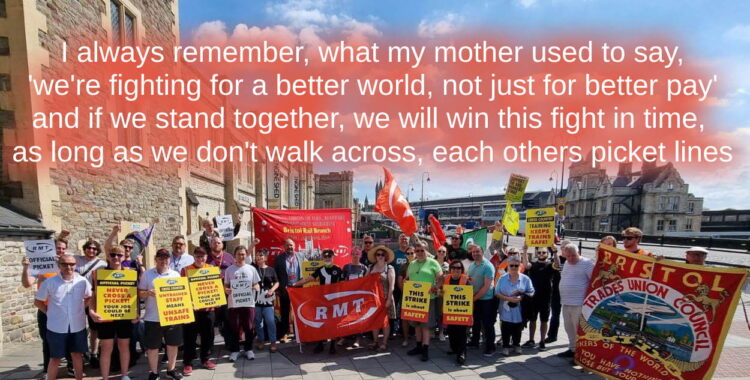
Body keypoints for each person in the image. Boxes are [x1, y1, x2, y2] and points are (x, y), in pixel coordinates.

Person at [34, 253, 92, 380]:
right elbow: (38, 301)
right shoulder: (50, 282)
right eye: (64, 264)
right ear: (59, 265)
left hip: (78, 325)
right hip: (56, 327)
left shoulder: (82, 281)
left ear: (75, 265)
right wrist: (48, 312)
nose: (68, 267)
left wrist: (81, 308)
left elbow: (89, 297)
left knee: (77, 355)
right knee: (55, 358)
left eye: (71, 264)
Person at [22, 234, 71, 379]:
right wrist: (26, 268)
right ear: (52, 249)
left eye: (63, 249)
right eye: (57, 248)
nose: (60, 251)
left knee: (68, 337)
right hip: (46, 308)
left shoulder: (68, 264)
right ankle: (47, 370)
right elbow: (27, 283)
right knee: (47, 339)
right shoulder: (41, 265)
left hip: (64, 309)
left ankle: (69, 367)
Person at [88, 246, 135, 380]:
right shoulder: (99, 273)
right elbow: (93, 296)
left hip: (124, 315)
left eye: (119, 255)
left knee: (124, 346)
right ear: (108, 256)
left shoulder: (130, 272)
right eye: (113, 255)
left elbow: (134, 295)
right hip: (106, 316)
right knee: (106, 347)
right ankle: (105, 377)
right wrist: (91, 311)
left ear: (124, 257)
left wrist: (136, 313)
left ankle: (125, 375)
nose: (116, 258)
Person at [138, 249, 183, 380]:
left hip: (172, 316)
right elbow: (139, 293)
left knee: (172, 344)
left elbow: (181, 295)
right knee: (153, 347)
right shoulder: (147, 274)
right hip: (152, 317)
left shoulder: (175, 275)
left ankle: (171, 369)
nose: (164, 261)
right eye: (161, 258)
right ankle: (154, 372)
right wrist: (147, 293)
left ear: (169, 260)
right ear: (156, 259)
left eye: (166, 258)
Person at [293, 249, 343, 353]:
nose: (327, 258)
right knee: (321, 322)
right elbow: (308, 279)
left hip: (334, 300)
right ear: (322, 258)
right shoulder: (320, 270)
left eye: (329, 256)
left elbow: (344, 285)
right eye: (325, 257)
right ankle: (320, 343)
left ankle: (333, 345)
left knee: (333, 323)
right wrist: (294, 285)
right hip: (322, 300)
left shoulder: (338, 269)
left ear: (333, 257)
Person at [180, 247, 217, 375]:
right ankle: (188, 363)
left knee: (208, 335)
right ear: (194, 257)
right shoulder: (186, 270)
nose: (200, 259)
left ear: (206, 257)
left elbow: (216, 287)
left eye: (202, 256)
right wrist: (189, 301)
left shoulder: (212, 269)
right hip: (192, 309)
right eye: (198, 256)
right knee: (189, 337)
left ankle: (205, 359)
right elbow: (182, 289)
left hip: (208, 308)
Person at [405, 241, 443, 361]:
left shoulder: (433, 263)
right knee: (416, 324)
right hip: (415, 299)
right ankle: (418, 346)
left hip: (428, 299)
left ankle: (425, 349)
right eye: (417, 251)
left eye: (422, 250)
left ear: (426, 250)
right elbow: (408, 278)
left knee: (426, 326)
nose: (420, 253)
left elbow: (441, 279)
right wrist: (407, 284)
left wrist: (436, 288)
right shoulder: (412, 264)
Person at [224, 245, 262, 361]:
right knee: (234, 327)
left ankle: (248, 349)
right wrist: (226, 290)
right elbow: (226, 286)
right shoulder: (229, 270)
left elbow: (257, 285)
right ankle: (235, 350)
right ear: (235, 255)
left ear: (246, 255)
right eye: (239, 254)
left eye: (243, 254)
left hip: (248, 303)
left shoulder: (251, 269)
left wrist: (255, 287)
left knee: (249, 327)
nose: (241, 256)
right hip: (234, 304)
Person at [557, 244, 594, 359]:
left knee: (579, 329)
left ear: (579, 253)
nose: (571, 258)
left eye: (574, 255)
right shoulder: (567, 263)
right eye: (568, 256)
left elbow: (593, 281)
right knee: (568, 327)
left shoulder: (587, 263)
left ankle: (582, 353)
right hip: (566, 301)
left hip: (579, 303)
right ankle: (572, 349)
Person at [75, 239, 107, 369]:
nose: (91, 250)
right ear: (85, 249)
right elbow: (60, 254)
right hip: (78, 298)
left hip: (94, 298)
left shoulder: (102, 264)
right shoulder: (76, 259)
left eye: (94, 248)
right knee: (78, 328)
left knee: (94, 329)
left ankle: (93, 353)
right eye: (89, 248)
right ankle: (80, 352)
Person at [495, 256, 535, 356]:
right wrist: (509, 299)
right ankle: (505, 346)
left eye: (516, 265)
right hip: (505, 307)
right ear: (508, 266)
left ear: (519, 266)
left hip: (519, 308)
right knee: (506, 327)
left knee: (518, 327)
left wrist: (522, 296)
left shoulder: (525, 279)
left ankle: (517, 344)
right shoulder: (502, 278)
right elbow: (497, 293)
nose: (513, 267)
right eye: (511, 265)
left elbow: (531, 292)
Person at [522, 246, 559, 351]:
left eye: (544, 252)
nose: (541, 254)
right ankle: (531, 340)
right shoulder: (533, 264)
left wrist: (555, 251)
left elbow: (557, 264)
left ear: (547, 253)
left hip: (546, 297)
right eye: (539, 252)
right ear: (536, 253)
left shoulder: (551, 265)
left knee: (544, 320)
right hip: (534, 297)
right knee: (532, 319)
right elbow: (525, 264)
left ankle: (542, 341)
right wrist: (524, 250)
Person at [466, 244, 496, 357]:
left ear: (482, 252)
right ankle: (475, 342)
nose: (475, 254)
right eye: (473, 252)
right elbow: (469, 281)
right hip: (475, 298)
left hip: (486, 299)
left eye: (477, 251)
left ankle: (491, 347)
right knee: (476, 322)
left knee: (488, 324)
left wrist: (475, 298)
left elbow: (486, 286)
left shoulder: (488, 266)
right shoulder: (472, 265)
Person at [274, 238, 305, 343]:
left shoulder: (301, 256)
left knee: (299, 311)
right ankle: (284, 334)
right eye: (287, 245)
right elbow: (276, 275)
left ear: (294, 246)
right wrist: (278, 288)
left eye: (291, 245)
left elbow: (307, 271)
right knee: (284, 312)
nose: (289, 247)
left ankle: (299, 333)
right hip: (285, 289)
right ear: (284, 247)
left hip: (299, 289)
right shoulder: (279, 259)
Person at [442, 261, 471, 365]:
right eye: (453, 268)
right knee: (451, 332)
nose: (456, 270)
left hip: (462, 312)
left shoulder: (466, 280)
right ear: (450, 269)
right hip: (449, 311)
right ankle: (454, 348)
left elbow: (470, 294)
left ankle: (461, 353)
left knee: (461, 333)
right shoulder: (446, 279)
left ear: (461, 270)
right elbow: (441, 292)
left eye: (458, 268)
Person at [339, 247, 369, 348]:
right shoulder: (346, 267)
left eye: (357, 254)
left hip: (359, 297)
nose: (356, 255)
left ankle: (358, 339)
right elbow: (342, 281)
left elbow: (366, 283)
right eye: (354, 253)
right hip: (348, 296)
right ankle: (344, 337)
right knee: (346, 317)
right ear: (351, 255)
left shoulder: (364, 268)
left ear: (360, 255)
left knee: (359, 318)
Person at [368, 245, 396, 351]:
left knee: (385, 321)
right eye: (378, 254)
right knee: (374, 321)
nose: (380, 256)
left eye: (382, 254)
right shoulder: (370, 267)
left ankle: (384, 342)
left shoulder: (389, 268)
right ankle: (375, 341)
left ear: (386, 256)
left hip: (385, 297)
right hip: (373, 298)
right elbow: (364, 281)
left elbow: (392, 286)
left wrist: (389, 299)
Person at [252, 249, 279, 353]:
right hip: (256, 299)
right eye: (257, 255)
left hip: (267, 299)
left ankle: (273, 342)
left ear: (266, 258)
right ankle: (261, 340)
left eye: (261, 256)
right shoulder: (253, 268)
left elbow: (277, 282)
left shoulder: (271, 270)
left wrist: (272, 290)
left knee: (270, 321)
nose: (259, 257)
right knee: (258, 322)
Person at [546, 243, 566, 344]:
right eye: (563, 247)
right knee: (555, 314)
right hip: (556, 291)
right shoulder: (557, 258)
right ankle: (552, 335)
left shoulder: (575, 259)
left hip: (570, 292)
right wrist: (554, 251)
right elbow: (557, 264)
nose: (565, 249)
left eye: (567, 247)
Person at [398, 246, 415, 347]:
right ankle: (405, 338)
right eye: (408, 253)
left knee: (419, 316)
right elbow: (400, 281)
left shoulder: (421, 265)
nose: (410, 255)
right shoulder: (403, 266)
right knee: (405, 318)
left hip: (419, 296)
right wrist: (405, 292)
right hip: (406, 295)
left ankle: (419, 338)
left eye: (412, 253)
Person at [435, 246, 449, 342]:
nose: (441, 253)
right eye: (439, 251)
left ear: (445, 254)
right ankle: (431, 330)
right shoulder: (432, 263)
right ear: (436, 252)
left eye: (443, 251)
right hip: (431, 290)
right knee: (431, 312)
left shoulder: (448, 265)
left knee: (441, 313)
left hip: (442, 292)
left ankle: (441, 332)